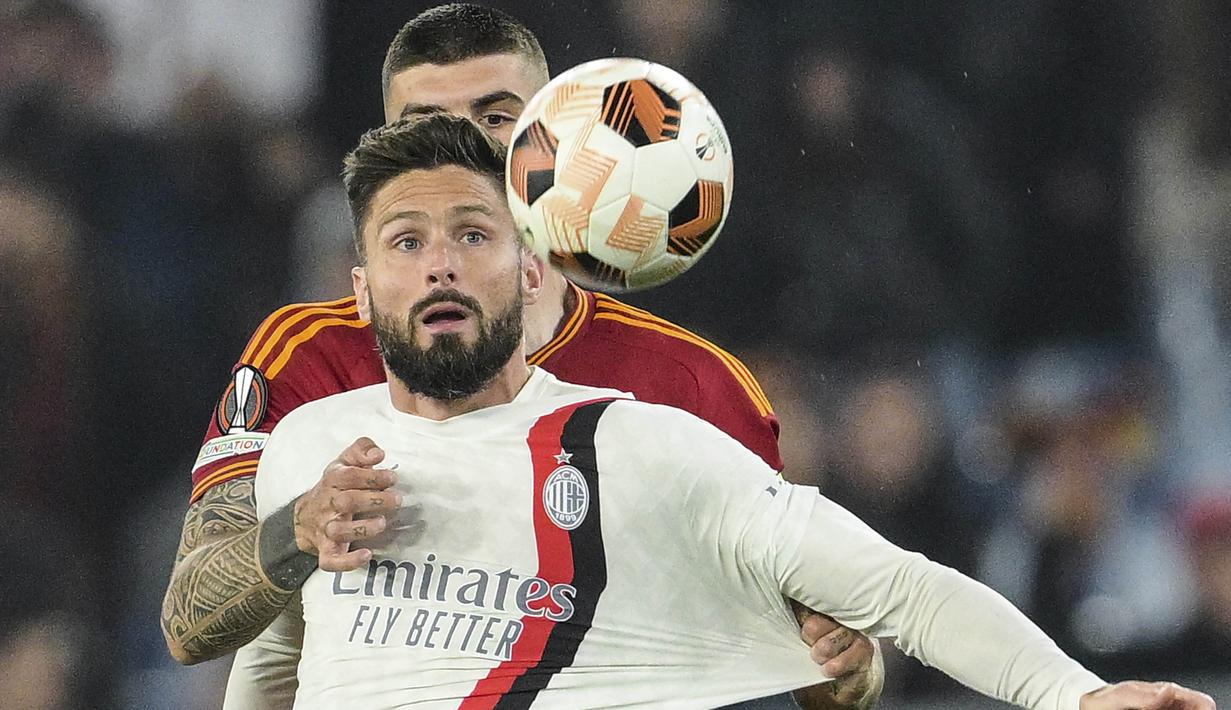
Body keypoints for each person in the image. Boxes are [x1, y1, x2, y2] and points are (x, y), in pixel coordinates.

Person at [253, 111, 1214, 709]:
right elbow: (267, 667)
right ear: (360, 286)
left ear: (533, 268)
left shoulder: (635, 447)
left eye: (472, 233)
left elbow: (902, 590)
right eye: (405, 241)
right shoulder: (307, 447)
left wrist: (1077, 695)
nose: (440, 263)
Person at [160, 5, 879, 709]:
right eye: (428, 127)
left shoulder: (688, 383)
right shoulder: (309, 354)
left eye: (496, 120)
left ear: (555, 140)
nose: (461, 151)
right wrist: (299, 527)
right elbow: (190, 619)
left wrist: (844, 664)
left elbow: (821, 676)